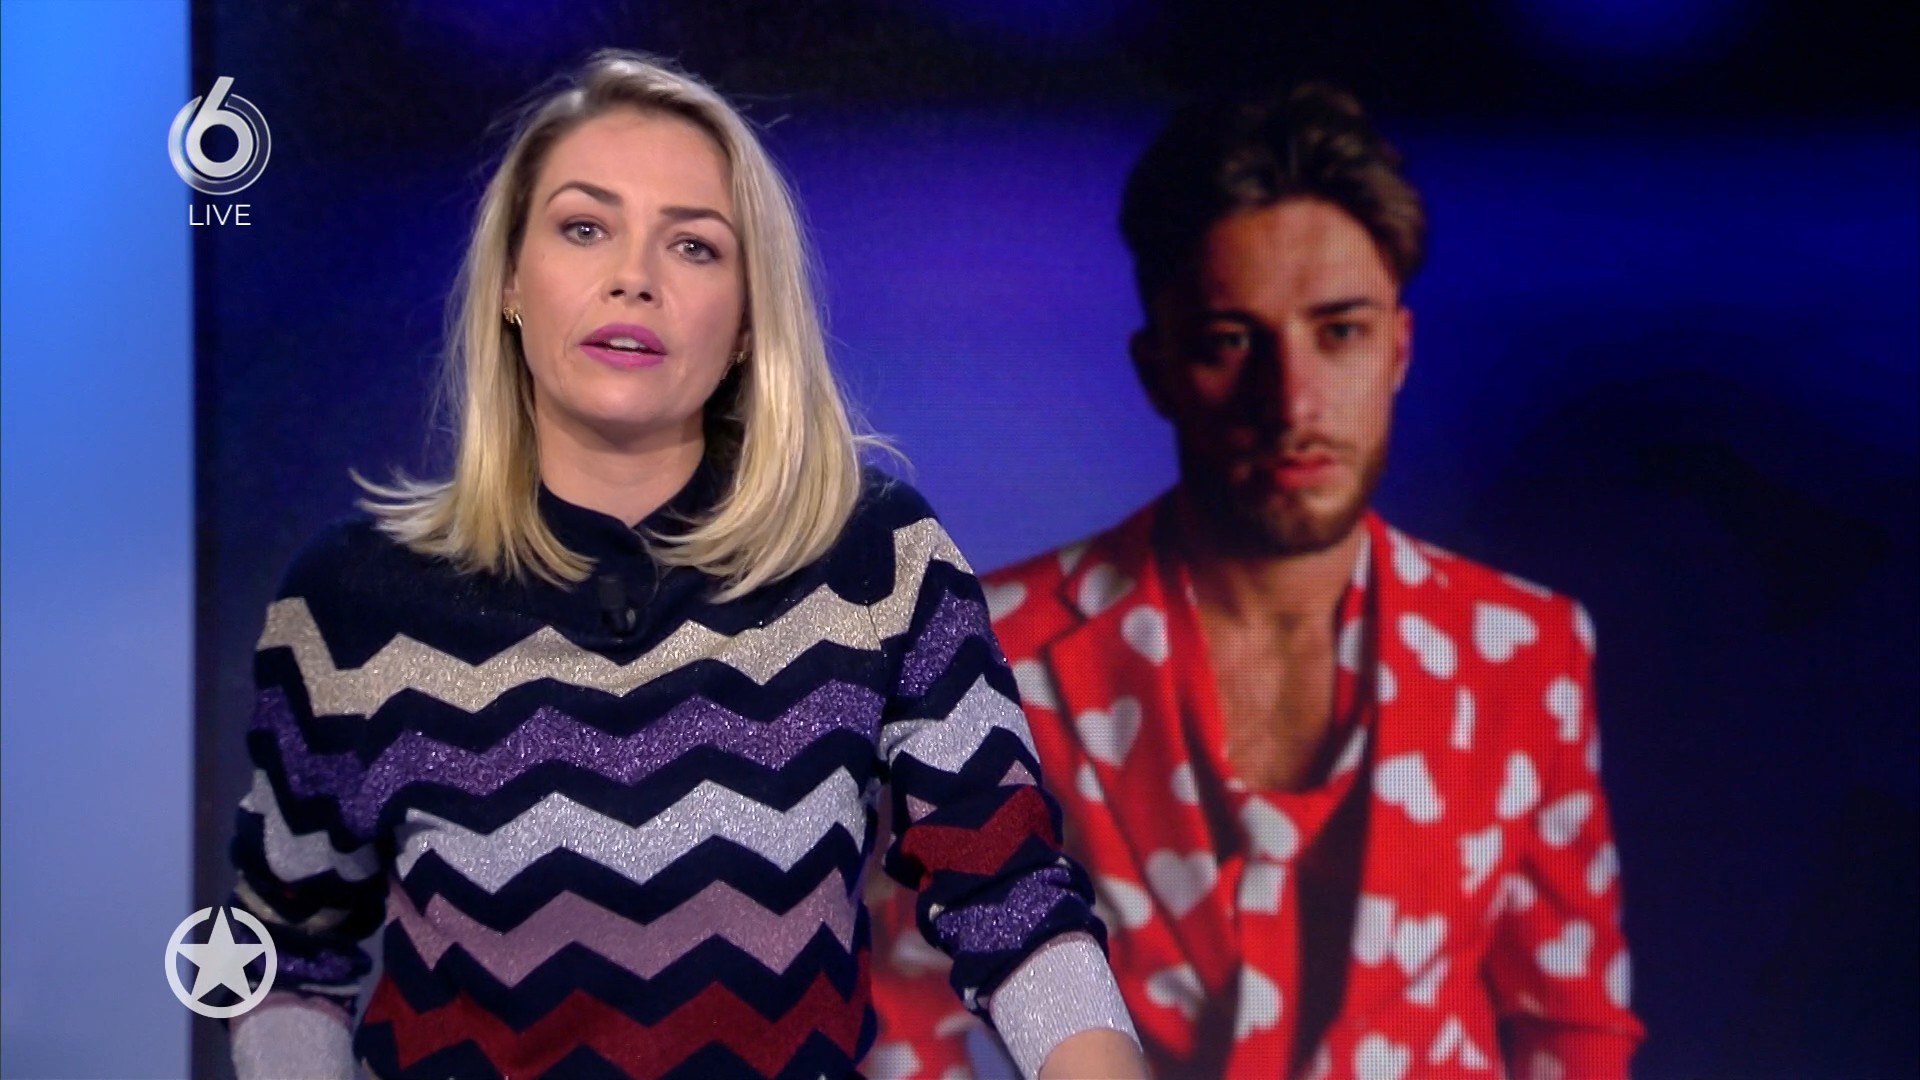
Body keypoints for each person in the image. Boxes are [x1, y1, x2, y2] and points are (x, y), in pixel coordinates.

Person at [221, 50, 1147, 1080]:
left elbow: (1011, 901)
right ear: (512, 283)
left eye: (694, 245)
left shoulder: (874, 559)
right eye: (585, 228)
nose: (634, 277)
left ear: (748, 322)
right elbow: (285, 959)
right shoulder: (354, 601)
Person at [870, 86, 1646, 1078]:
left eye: (1340, 331)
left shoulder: (1523, 651)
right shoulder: (995, 648)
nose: (1293, 402)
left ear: (1399, 348)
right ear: (1157, 368)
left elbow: (1575, 1029)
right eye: (1231, 341)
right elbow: (897, 1005)